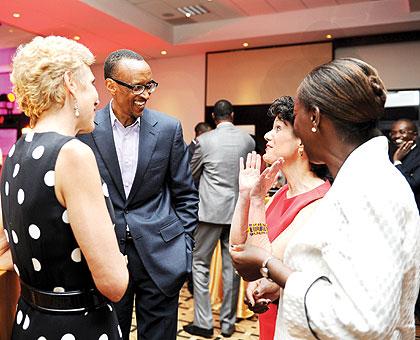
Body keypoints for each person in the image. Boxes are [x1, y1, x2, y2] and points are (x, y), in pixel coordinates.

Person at [230, 58, 420, 339]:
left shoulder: (370, 189)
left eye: (293, 117)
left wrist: (272, 268)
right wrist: (282, 282)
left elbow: (362, 321)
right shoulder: (356, 181)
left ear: (314, 118)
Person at [0, 35, 128, 339]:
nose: (98, 98)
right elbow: (114, 283)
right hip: (77, 326)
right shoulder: (72, 154)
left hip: (31, 322)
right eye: (91, 83)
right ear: (70, 84)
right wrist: (119, 262)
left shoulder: (17, 151)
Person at [78, 49, 199, 340]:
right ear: (110, 86)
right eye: (137, 87)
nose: (146, 94)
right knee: (109, 333)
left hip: (161, 256)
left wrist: (183, 248)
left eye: (150, 85)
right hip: (107, 255)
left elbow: (185, 194)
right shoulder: (86, 130)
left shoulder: (168, 128)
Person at [229, 96, 330, 340]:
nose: (267, 136)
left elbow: (261, 265)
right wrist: (245, 195)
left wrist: (256, 202)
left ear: (302, 142)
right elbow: (237, 245)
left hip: (293, 323)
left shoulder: (318, 201)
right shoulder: (282, 192)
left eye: (278, 128)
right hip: (270, 318)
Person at [183, 99, 255, 338]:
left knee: (199, 264)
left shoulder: (205, 141)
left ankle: (204, 323)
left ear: (214, 117)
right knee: (231, 267)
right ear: (232, 115)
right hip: (236, 212)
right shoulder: (248, 140)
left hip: (209, 212)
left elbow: (191, 174)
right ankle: (227, 323)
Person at [389, 118, 420, 210]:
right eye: (393, 133)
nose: (397, 136)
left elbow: (412, 184)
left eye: (402, 132)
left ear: (414, 135)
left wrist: (397, 162)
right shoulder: (388, 154)